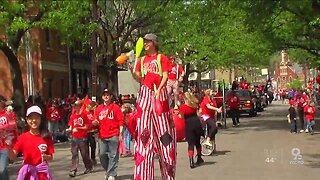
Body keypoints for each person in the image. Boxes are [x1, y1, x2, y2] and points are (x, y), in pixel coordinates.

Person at [130, 33, 176, 180]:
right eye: (144, 42)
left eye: (148, 42)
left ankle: (168, 174)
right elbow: (139, 77)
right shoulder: (141, 59)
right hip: (145, 94)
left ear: (154, 43)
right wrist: (133, 70)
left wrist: (159, 89)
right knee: (144, 137)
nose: (145, 44)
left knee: (165, 136)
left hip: (158, 94)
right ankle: (144, 176)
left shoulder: (161, 58)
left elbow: (165, 75)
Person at [9, 106, 54, 180]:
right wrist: (8, 146)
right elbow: (13, 157)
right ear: (27, 120)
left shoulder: (47, 136)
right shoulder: (22, 137)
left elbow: (51, 157)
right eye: (30, 118)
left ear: (40, 119)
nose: (33, 120)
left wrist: (45, 157)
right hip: (28, 174)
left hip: (42, 175)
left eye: (36, 117)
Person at [92, 89, 124, 180]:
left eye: (108, 95)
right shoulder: (98, 109)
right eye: (104, 95)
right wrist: (94, 122)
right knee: (102, 155)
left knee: (113, 155)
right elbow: (95, 121)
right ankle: (109, 171)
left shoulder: (115, 107)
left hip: (114, 134)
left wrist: (120, 132)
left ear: (110, 97)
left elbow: (120, 121)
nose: (106, 96)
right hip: (102, 135)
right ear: (102, 97)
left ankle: (112, 174)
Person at [67, 100, 93, 177]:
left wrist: (79, 128)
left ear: (81, 106)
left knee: (84, 154)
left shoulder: (84, 116)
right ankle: (73, 170)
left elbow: (87, 127)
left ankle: (89, 167)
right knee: (74, 154)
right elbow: (71, 126)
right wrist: (69, 129)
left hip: (82, 138)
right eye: (75, 106)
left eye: (77, 106)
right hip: (74, 138)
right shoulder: (72, 116)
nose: (76, 107)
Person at [179, 92, 204, 168]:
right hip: (196, 123)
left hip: (189, 124)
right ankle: (199, 158)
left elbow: (181, 117)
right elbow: (198, 113)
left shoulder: (183, 107)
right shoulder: (194, 105)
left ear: (184, 98)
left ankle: (191, 161)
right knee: (197, 142)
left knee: (190, 144)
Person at [0, 96, 17, 180]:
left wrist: (9, 117)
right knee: (2, 171)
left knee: (2, 169)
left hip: (5, 146)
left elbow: (13, 127)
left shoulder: (8, 113)